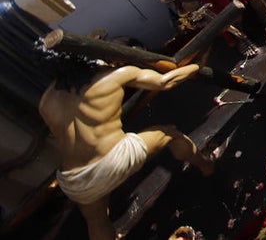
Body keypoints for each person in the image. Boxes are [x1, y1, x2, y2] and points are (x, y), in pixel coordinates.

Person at [37, 50, 217, 240]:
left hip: (74, 179)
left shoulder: (45, 102)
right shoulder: (112, 76)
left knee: (96, 221)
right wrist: (198, 64)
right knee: (169, 134)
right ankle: (206, 165)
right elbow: (165, 82)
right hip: (115, 158)